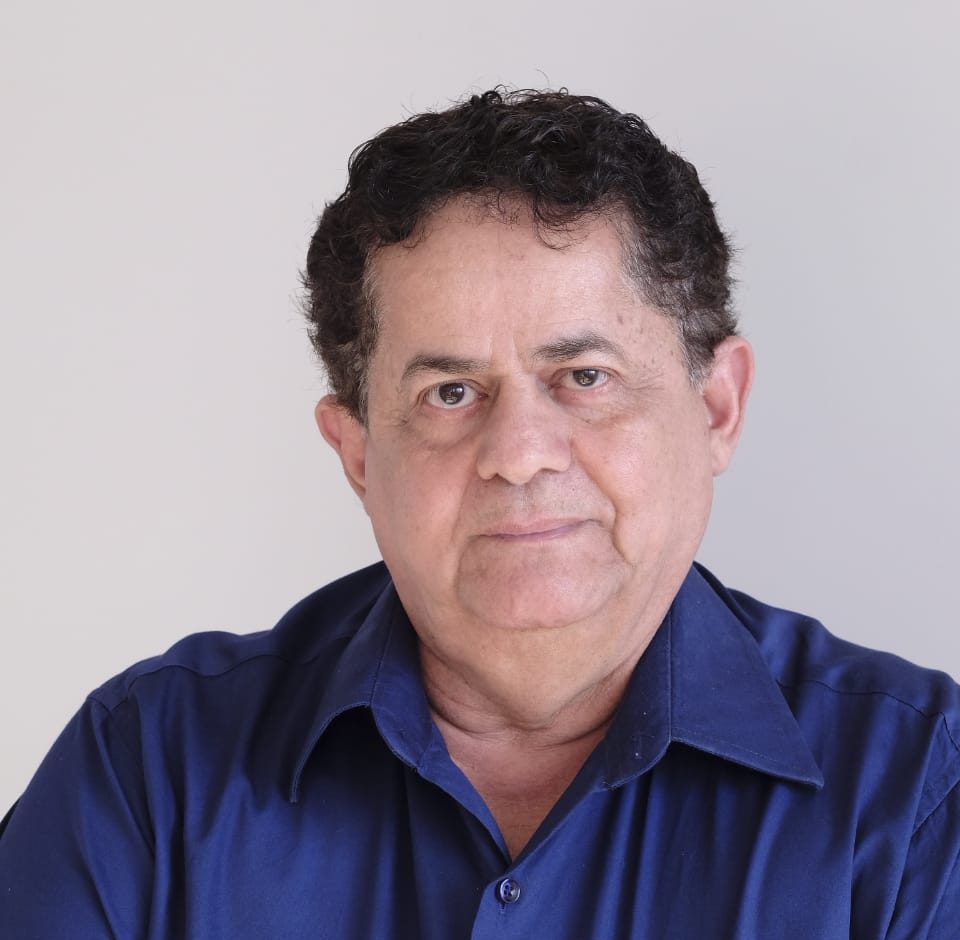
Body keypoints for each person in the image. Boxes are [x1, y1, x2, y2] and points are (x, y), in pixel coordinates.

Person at [1, 88, 958, 939]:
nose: (520, 453)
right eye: (450, 393)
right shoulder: (147, 777)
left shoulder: (919, 795)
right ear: (357, 451)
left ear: (717, 409)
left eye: (585, 376)